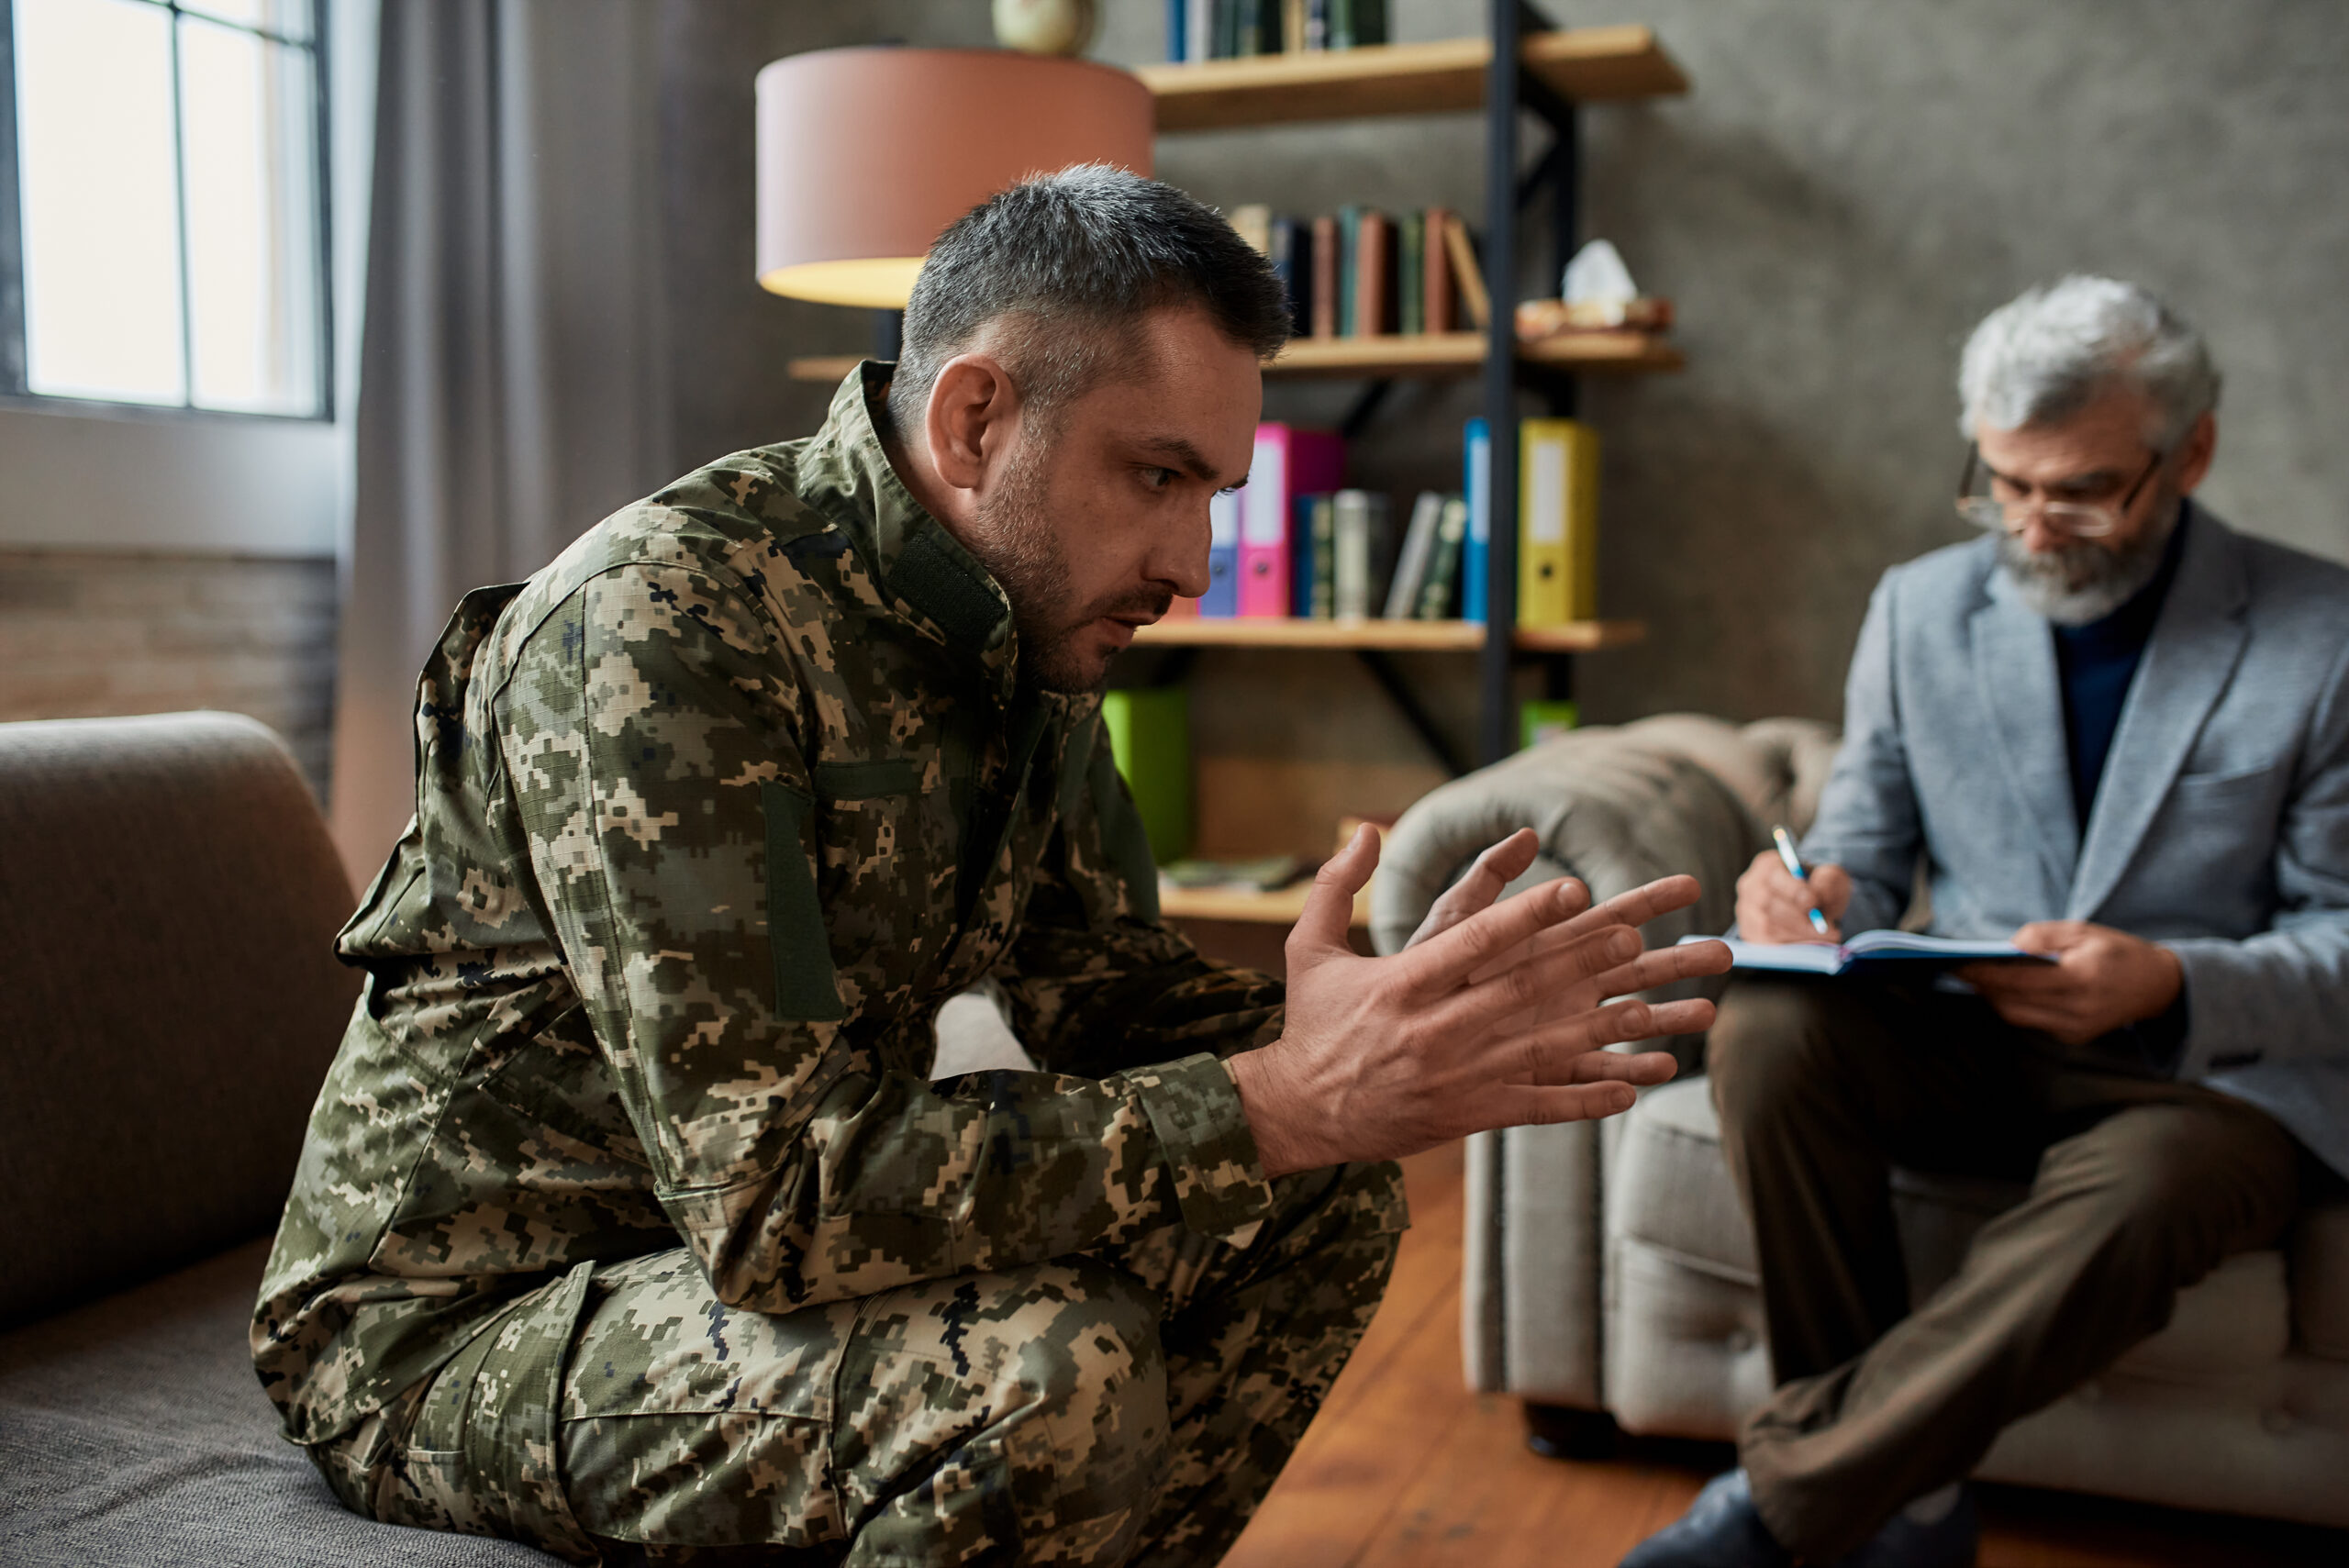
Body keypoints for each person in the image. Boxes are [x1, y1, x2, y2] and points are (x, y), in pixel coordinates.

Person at [253, 165, 1731, 1567]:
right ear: (973, 420)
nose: (1196, 559)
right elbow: (780, 1204)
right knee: (1043, 1370)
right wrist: (1278, 1095)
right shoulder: (664, 631)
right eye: (1158, 476)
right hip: (455, 1323)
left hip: (697, 1261)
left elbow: (1100, 997)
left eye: (1215, 488)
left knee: (1322, 1198)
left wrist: (1389, 1031)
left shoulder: (1027, 637)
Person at [1624, 274, 2349, 1568]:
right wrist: (1805, 889)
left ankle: (1801, 1501)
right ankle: (1896, 1497)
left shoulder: (2324, 634)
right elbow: (1861, 845)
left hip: (2211, 1086)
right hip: (1975, 1036)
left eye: (2077, 490)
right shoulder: (1920, 608)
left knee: (2158, 1183)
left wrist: (2171, 979)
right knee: (1777, 1020)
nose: (2031, 525)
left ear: (2192, 450)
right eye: (2003, 482)